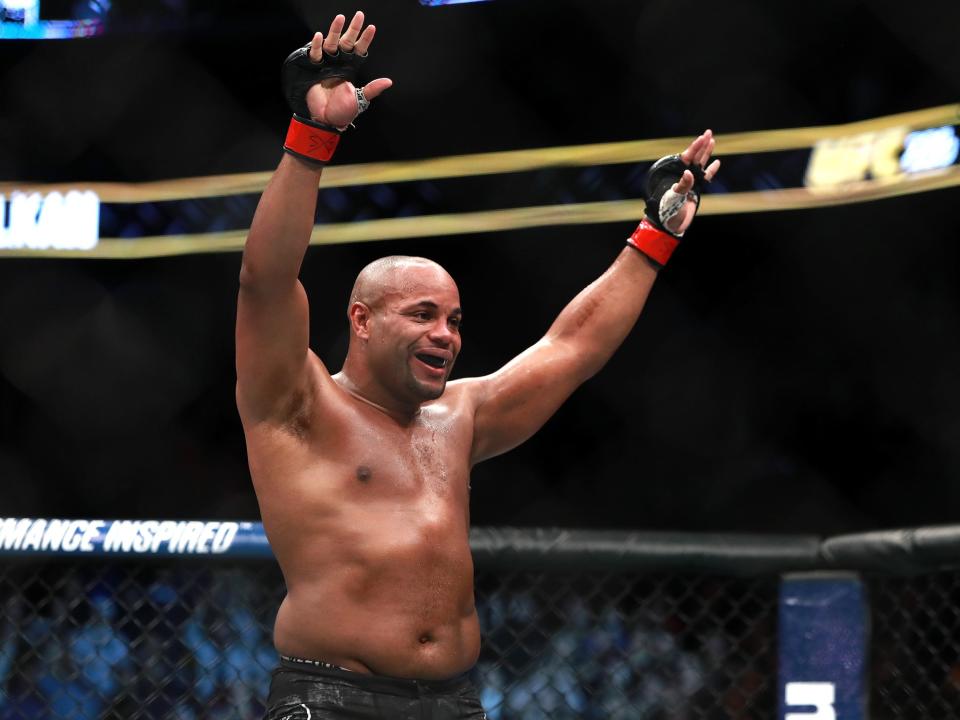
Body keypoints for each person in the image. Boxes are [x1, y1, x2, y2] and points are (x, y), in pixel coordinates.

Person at [236, 10, 719, 720]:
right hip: (330, 697)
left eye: (455, 320)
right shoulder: (298, 404)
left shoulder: (461, 418)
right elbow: (266, 282)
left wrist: (654, 237)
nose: (446, 335)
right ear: (361, 321)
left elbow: (571, 348)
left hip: (455, 701)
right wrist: (312, 141)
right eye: (422, 314)